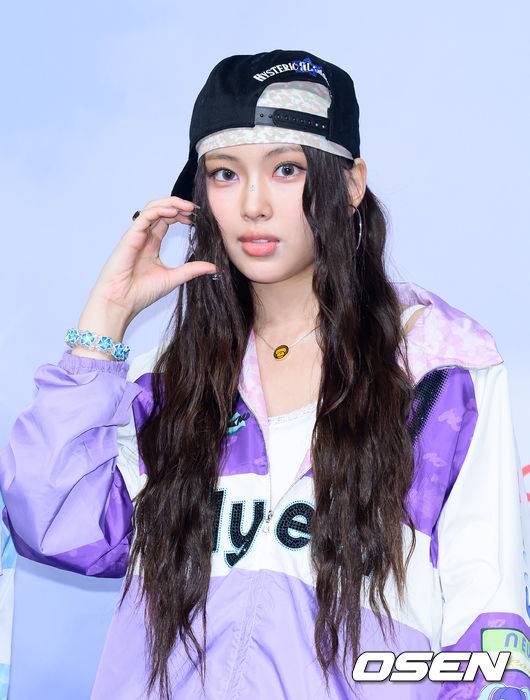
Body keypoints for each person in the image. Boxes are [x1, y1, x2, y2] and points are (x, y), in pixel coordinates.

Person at [0, 49, 529, 699]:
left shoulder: (440, 372)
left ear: (351, 185)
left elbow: (488, 623)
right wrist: (102, 327)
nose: (253, 204)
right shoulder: (168, 380)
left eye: (286, 169)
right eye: (225, 174)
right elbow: (54, 524)